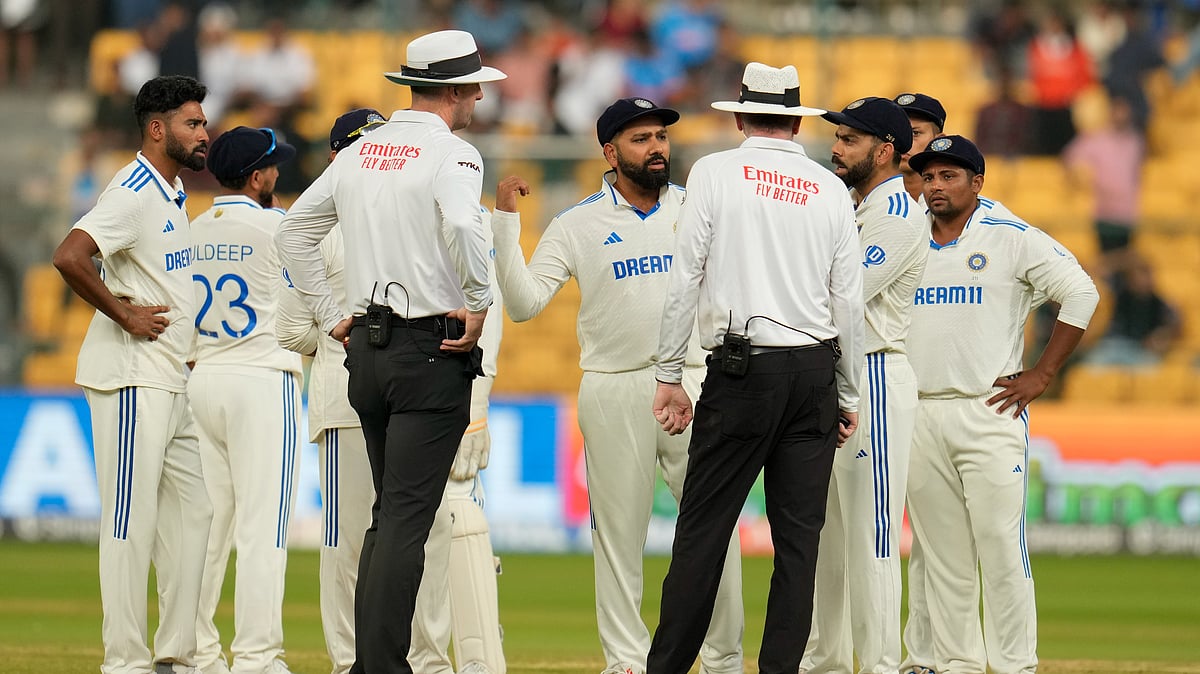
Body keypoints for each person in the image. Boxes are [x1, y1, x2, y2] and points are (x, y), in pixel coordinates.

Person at [273, 30, 504, 674]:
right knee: (407, 517)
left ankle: (372, 662)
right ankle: (384, 665)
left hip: (365, 352)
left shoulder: (362, 151)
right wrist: (480, 300)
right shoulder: (454, 154)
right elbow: (462, 225)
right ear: (455, 90)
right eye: (474, 85)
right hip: (428, 348)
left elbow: (294, 232)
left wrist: (329, 312)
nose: (480, 95)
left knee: (388, 516)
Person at [492, 96, 745, 674]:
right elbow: (525, 303)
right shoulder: (577, 223)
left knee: (714, 529)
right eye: (641, 139)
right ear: (610, 152)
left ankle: (724, 658)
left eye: (660, 136)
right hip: (614, 387)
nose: (657, 147)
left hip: (697, 381)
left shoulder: (697, 207)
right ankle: (627, 662)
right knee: (618, 538)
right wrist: (507, 223)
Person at [647, 62, 865, 674]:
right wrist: (847, 393)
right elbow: (847, 301)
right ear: (797, 121)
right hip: (815, 371)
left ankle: (667, 667)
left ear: (740, 116)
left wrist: (669, 374)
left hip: (743, 371)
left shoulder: (715, 173)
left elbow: (685, 276)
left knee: (704, 529)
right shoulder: (827, 188)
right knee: (799, 544)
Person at [905, 135, 1099, 674]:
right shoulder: (905, 234)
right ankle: (958, 664)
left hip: (988, 409)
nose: (936, 186)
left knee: (999, 545)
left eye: (949, 176)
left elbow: (1081, 293)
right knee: (943, 556)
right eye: (929, 176)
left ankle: (1015, 665)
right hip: (919, 410)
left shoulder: (1010, 235)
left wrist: (1043, 373)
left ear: (977, 182)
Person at [51, 74, 213, 674]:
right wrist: (123, 313)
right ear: (157, 128)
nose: (204, 133)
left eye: (202, 122)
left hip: (173, 380)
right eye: (193, 123)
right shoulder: (134, 189)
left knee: (195, 516)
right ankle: (125, 661)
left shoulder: (172, 193)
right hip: (129, 378)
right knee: (128, 523)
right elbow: (70, 254)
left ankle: (174, 655)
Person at [802, 96, 926, 674]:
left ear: (884, 151)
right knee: (824, 533)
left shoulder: (898, 214)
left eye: (849, 139)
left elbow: (837, 294)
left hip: (872, 372)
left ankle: (878, 664)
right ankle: (824, 661)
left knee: (873, 535)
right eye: (837, 137)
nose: (836, 147)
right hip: (832, 373)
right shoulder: (851, 205)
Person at [187, 125, 301, 674]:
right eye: (273, 167)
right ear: (257, 176)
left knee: (210, 527)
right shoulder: (277, 224)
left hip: (203, 376)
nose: (278, 175)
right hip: (261, 378)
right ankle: (257, 657)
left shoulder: (193, 228)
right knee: (264, 527)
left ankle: (196, 651)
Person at [892, 92, 946, 202]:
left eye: (915, 133)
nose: (903, 141)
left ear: (938, 140)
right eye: (896, 132)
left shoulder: (965, 210)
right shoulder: (854, 198)